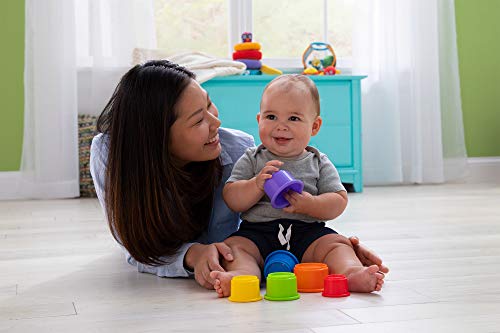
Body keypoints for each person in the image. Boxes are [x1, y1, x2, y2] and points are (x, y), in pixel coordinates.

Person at [90, 60, 388, 291]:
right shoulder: (112, 156)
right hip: (250, 241)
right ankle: (241, 279)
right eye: (198, 120)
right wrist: (192, 255)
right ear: (157, 139)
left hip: (296, 234)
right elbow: (139, 246)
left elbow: (333, 199)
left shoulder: (241, 148)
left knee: (332, 247)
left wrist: (334, 251)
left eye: (209, 104)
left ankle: (349, 271)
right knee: (239, 252)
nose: (216, 121)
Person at [211, 74, 386, 297]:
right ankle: (242, 276)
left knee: (337, 244)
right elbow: (232, 198)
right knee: (234, 248)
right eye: (271, 116)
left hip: (308, 233)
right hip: (258, 233)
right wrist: (256, 185)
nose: (281, 126)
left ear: (314, 126)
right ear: (259, 120)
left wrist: (310, 204)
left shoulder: (318, 161)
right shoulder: (252, 159)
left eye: (293, 119)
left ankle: (351, 273)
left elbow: (338, 200)